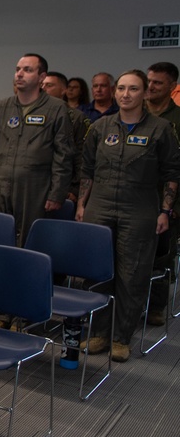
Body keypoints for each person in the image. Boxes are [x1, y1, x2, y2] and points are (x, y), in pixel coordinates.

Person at [76, 69, 180, 362]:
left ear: (145, 93)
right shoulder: (100, 127)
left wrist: (165, 210)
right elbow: (87, 169)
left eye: (133, 89)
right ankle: (97, 333)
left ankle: (122, 337)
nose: (125, 94)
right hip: (100, 206)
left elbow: (173, 173)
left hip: (141, 209)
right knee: (97, 273)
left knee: (132, 275)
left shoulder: (160, 129)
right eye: (121, 88)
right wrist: (82, 204)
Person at [0, 53, 74, 247]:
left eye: (27, 70)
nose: (20, 74)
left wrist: (57, 193)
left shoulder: (56, 109)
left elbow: (63, 155)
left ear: (41, 77)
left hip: (36, 185)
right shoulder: (0, 108)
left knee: (29, 240)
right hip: (0, 183)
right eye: (18, 69)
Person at [144, 61, 180, 328]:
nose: (151, 86)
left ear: (172, 87)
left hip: (168, 200)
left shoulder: (177, 119)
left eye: (157, 82)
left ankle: (156, 305)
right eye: (149, 80)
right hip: (134, 196)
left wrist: (174, 205)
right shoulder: (136, 113)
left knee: (161, 255)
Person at [42, 71, 89, 202]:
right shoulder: (35, 115)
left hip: (64, 187)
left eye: (49, 85)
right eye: (42, 85)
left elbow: (82, 157)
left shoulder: (77, 117)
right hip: (36, 184)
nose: (43, 88)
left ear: (63, 90)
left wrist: (75, 189)